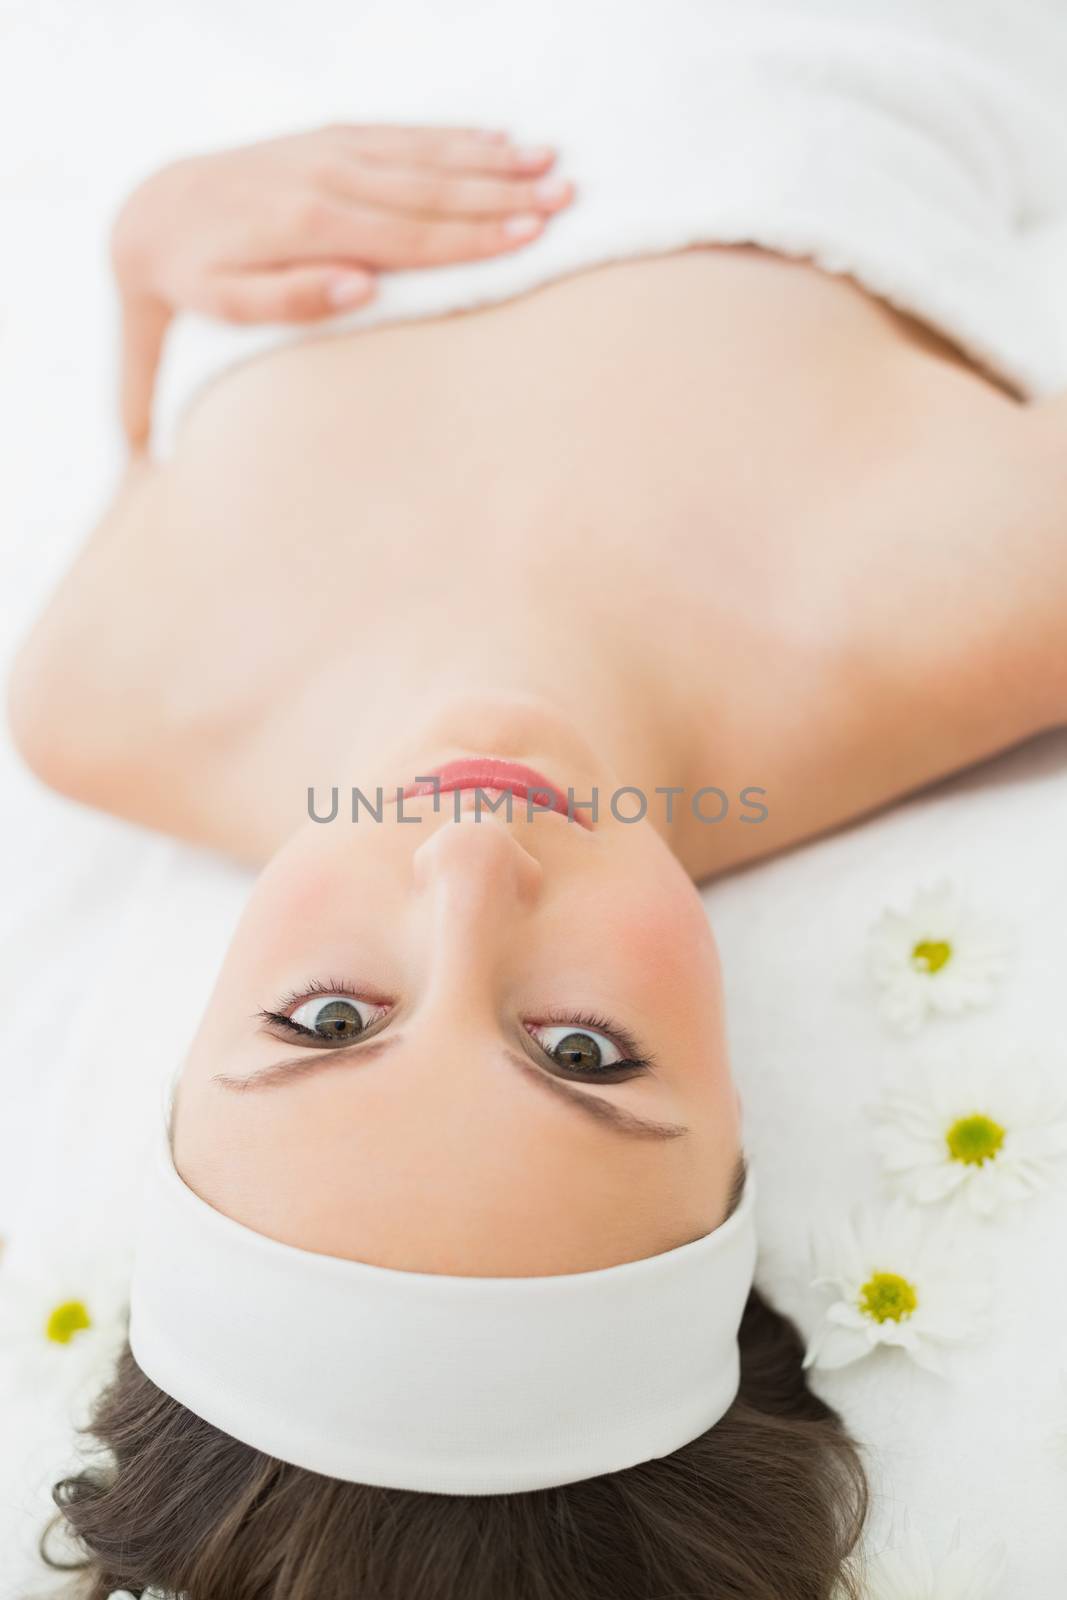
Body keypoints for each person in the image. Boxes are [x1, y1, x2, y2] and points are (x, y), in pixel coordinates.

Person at [9, 20, 1067, 1593]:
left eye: (322, 1020)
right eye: (581, 1051)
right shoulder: (968, 602)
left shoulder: (98, 701)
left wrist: (157, 235)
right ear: (740, 1137)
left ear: (181, 1064)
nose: (466, 868)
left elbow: (164, 365)